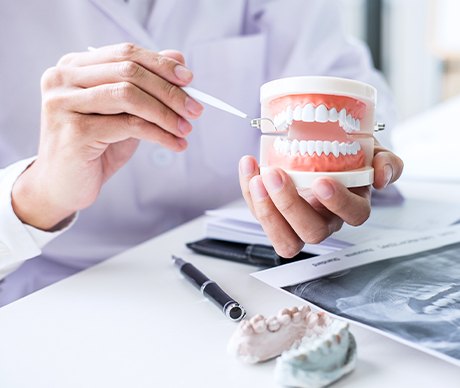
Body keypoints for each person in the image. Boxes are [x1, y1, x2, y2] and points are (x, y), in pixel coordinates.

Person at [0, 0, 403, 306]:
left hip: (249, 276)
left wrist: (350, 161)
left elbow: (348, 84)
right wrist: (36, 197)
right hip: (57, 297)